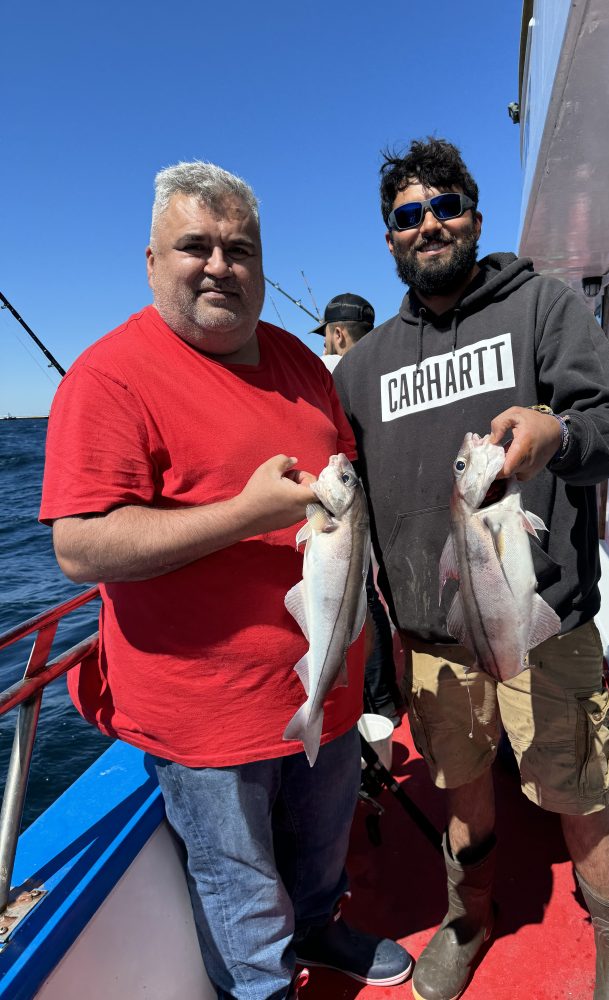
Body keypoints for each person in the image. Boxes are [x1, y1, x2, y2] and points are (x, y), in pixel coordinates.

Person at [39, 162, 412, 1000]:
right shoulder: (108, 379)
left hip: (325, 676)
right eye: (194, 246)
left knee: (321, 849)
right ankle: (263, 986)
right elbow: (81, 549)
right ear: (149, 261)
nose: (220, 265)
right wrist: (243, 516)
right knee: (239, 887)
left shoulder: (301, 362)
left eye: (240, 248)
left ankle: (322, 926)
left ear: (263, 264)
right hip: (205, 713)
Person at [333, 138, 609, 1000]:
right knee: (461, 788)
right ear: (390, 237)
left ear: (474, 216)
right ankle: (467, 918)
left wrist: (563, 435)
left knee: (578, 789)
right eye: (408, 215)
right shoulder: (360, 368)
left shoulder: (544, 308)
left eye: (445, 207)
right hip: (433, 636)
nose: (428, 223)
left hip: (539, 617)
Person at [312, 294, 403, 726]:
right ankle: (385, 699)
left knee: (357, 597)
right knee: (369, 595)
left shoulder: (329, 374)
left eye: (327, 338)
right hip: (379, 499)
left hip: (343, 501)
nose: (325, 347)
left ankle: (371, 700)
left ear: (338, 333)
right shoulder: (385, 371)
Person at [311, 292, 376, 371]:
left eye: (326, 334)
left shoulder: (323, 366)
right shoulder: (383, 363)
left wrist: (327, 361)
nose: (325, 341)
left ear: (338, 334)